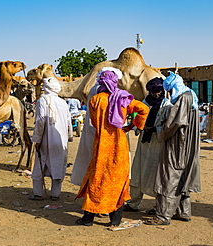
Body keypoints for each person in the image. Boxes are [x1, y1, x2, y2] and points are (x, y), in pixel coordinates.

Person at [75, 68, 149, 231]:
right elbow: (144, 109)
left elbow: (94, 123)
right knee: (118, 182)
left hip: (101, 145)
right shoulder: (123, 99)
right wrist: (131, 125)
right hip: (119, 146)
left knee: (96, 179)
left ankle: (88, 217)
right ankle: (115, 220)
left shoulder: (95, 100)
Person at [145, 72, 201, 226]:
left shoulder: (183, 98)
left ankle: (163, 215)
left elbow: (176, 123)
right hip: (187, 145)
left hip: (178, 144)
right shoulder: (190, 95)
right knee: (182, 176)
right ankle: (183, 212)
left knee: (169, 176)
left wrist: (161, 130)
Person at [124, 77, 173, 213]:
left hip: (158, 144)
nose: (156, 94)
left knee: (156, 175)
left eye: (158, 91)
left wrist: (155, 130)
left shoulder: (167, 106)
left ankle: (158, 206)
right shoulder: (144, 103)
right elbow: (137, 119)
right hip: (144, 143)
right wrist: (134, 127)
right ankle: (133, 203)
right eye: (153, 91)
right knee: (137, 171)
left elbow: (169, 126)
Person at [30, 77, 73, 201]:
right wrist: (69, 137)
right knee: (58, 166)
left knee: (40, 165)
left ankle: (38, 193)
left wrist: (37, 139)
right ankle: (55, 194)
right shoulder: (63, 102)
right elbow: (68, 121)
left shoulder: (43, 100)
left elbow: (40, 121)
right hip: (61, 139)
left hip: (46, 139)